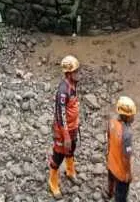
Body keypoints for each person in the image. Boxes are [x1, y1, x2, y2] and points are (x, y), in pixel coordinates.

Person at [47, 54, 81, 198]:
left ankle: (70, 171)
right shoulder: (62, 91)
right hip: (63, 130)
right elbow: (60, 115)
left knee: (71, 150)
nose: (79, 74)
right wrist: (66, 135)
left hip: (73, 127)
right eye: (76, 71)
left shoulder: (73, 84)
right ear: (68, 73)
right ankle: (53, 182)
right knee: (58, 156)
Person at [105, 96, 136, 202]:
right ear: (127, 116)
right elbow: (126, 157)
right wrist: (128, 174)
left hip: (111, 163)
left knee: (111, 182)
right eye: (132, 115)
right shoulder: (127, 133)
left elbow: (109, 140)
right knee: (121, 195)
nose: (133, 116)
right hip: (120, 172)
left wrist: (108, 156)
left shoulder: (111, 122)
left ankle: (109, 194)